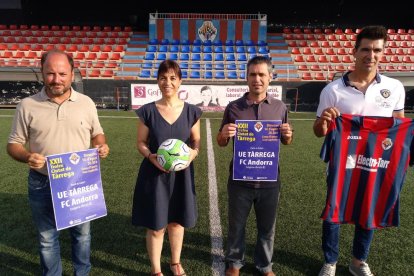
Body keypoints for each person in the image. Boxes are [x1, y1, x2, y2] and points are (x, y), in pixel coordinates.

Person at [6, 49, 110, 276]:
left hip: (80, 182)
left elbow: (98, 134)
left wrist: (101, 145)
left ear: (72, 74)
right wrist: (27, 156)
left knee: (82, 236)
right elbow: (13, 145)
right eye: (50, 73)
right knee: (46, 238)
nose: (56, 79)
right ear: (42, 73)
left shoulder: (86, 103)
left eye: (62, 73)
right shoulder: (27, 105)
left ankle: (82, 273)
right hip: (42, 182)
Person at [313, 25, 405, 276]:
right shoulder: (333, 89)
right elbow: (318, 131)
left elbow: (398, 127)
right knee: (334, 208)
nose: (371, 55)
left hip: (376, 162)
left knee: (369, 207)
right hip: (342, 161)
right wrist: (324, 121)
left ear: (383, 53)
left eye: (377, 50)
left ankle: (357, 262)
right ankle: (330, 262)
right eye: (365, 49)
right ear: (354, 52)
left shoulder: (395, 87)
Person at [217, 56, 293, 276]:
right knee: (236, 226)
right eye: (253, 74)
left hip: (269, 181)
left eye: (262, 74)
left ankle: (264, 265)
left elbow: (286, 140)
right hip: (240, 180)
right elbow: (221, 143)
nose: (257, 79)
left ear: (270, 77)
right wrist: (223, 134)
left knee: (267, 229)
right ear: (246, 77)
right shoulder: (234, 107)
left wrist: (288, 135)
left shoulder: (279, 108)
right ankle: (234, 262)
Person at [132, 60, 202, 276]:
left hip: (182, 175)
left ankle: (175, 262)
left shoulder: (192, 111)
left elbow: (196, 140)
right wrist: (150, 156)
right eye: (163, 78)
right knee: (156, 226)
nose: (168, 82)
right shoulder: (148, 111)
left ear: (180, 81)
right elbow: (141, 142)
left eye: (172, 78)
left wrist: (193, 153)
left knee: (176, 222)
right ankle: (155, 270)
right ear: (158, 81)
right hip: (154, 175)